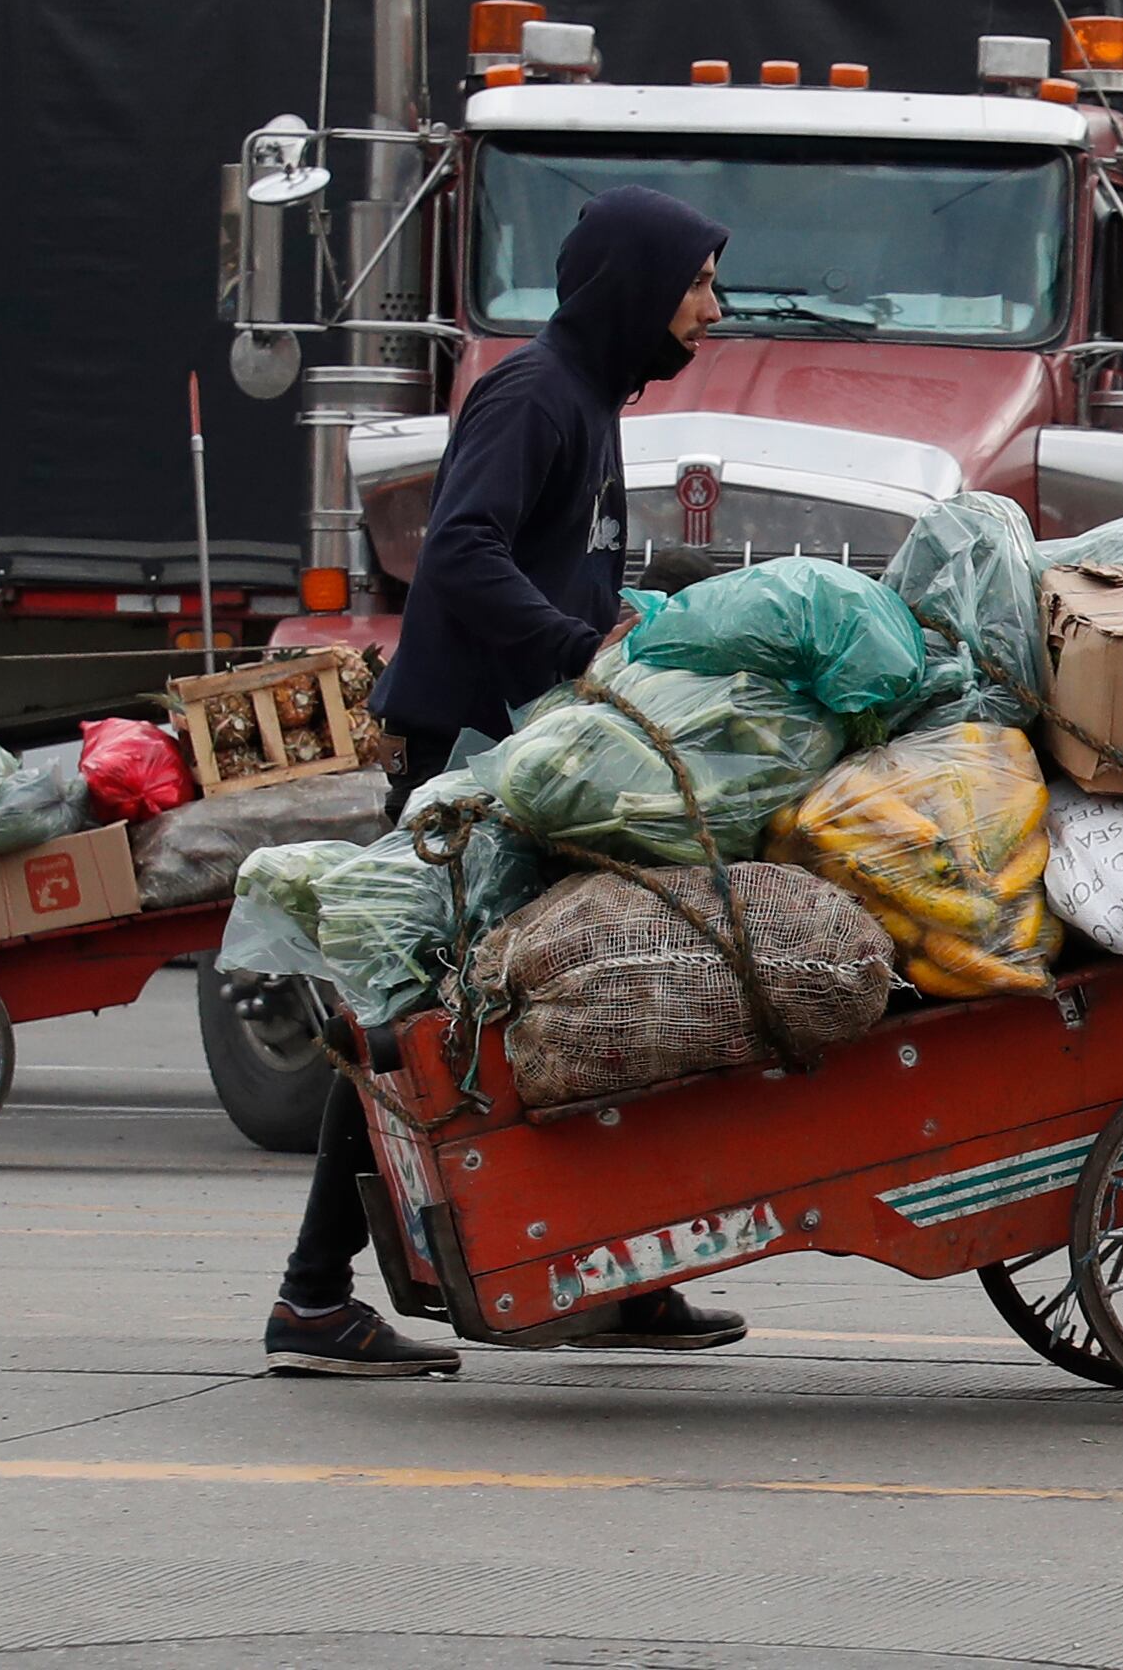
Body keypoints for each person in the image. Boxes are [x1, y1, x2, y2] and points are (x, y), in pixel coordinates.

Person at [263, 185, 738, 1379]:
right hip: (468, 762)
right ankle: (313, 1299)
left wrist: (620, 625)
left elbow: (549, 560)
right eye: (694, 284)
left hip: (532, 749)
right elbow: (461, 548)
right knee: (417, 1017)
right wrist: (569, 647)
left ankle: (626, 1273)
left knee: (612, 988)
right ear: (633, 286)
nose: (711, 310)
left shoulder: (591, 397)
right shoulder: (534, 393)